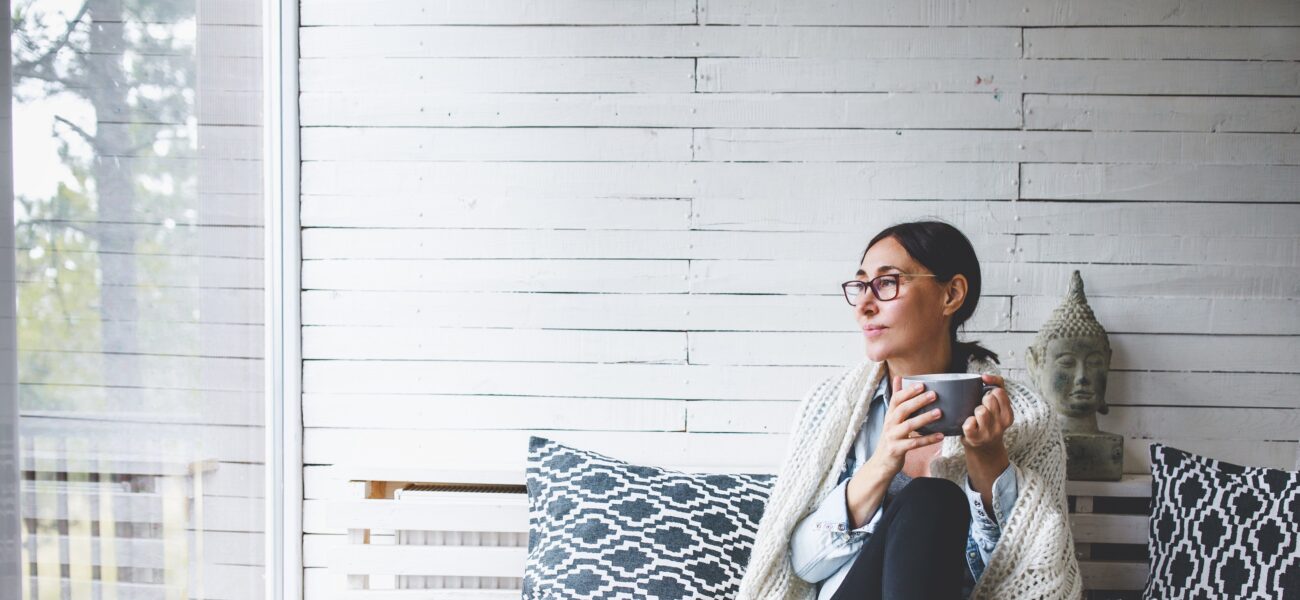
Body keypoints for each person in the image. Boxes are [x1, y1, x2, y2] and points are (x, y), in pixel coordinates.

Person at [736, 220, 1082, 600]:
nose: (865, 306)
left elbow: (1030, 574)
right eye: (860, 285)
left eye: (887, 283)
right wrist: (882, 464)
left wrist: (988, 459)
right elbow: (800, 565)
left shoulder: (1026, 418)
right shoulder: (831, 407)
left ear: (951, 294)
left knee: (932, 501)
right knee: (929, 499)